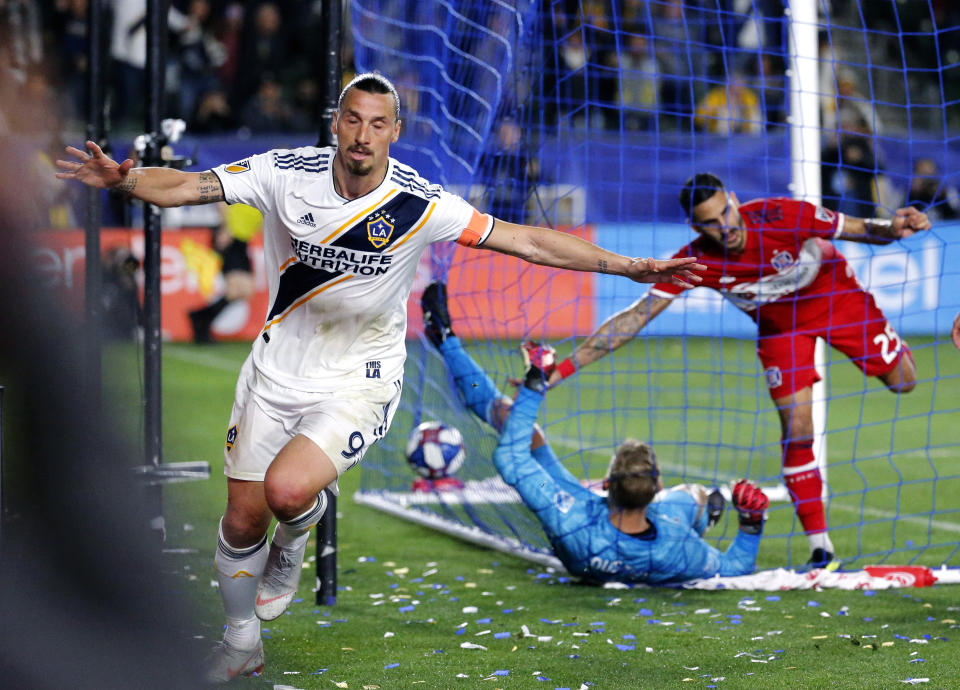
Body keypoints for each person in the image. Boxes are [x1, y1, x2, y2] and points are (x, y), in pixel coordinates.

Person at [56, 73, 704, 682]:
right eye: (352, 120)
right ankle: (240, 640)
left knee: (286, 495)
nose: (363, 135)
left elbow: (528, 242)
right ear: (334, 124)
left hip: (360, 377)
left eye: (378, 123)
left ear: (395, 131)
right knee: (240, 520)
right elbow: (191, 187)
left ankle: (295, 539)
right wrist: (125, 180)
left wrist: (626, 266)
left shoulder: (420, 204)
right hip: (277, 367)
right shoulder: (284, 173)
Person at [545, 172, 931, 570]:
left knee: (904, 383)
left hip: (835, 296)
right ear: (696, 226)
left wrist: (895, 226)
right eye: (710, 222)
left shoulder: (784, 214)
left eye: (726, 212)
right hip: (782, 330)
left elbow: (863, 230)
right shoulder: (697, 260)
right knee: (797, 429)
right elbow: (633, 320)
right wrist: (559, 371)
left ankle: (891, 347)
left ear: (733, 199)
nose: (724, 226)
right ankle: (822, 551)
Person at [420, 282, 769, 584]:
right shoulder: (678, 543)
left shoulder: (568, 516)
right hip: (660, 539)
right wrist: (751, 524)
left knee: (522, 430)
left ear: (604, 483)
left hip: (586, 520)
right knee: (695, 495)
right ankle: (706, 512)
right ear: (656, 490)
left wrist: (534, 383)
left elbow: (510, 458)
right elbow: (734, 568)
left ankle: (447, 342)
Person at [188, 202, 261, 343]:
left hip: (242, 239)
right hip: (230, 236)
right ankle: (201, 320)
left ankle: (200, 316)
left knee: (245, 291)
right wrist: (225, 227)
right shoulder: (241, 179)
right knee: (237, 289)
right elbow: (223, 199)